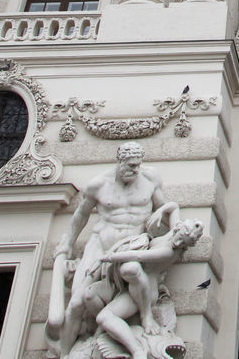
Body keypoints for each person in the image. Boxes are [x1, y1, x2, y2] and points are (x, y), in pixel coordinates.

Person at [55, 142, 168, 355]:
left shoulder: (150, 179)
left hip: (131, 246)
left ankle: (143, 317)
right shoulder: (99, 184)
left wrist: (170, 219)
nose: (135, 170)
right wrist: (68, 243)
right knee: (76, 303)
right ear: (120, 161)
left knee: (131, 276)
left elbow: (163, 207)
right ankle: (64, 353)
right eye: (130, 165)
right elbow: (81, 215)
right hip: (100, 245)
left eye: (138, 165)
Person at [93, 202, 204, 359]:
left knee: (130, 269)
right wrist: (160, 211)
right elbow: (174, 207)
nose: (177, 239)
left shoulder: (169, 251)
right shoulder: (173, 233)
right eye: (179, 233)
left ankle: (140, 341)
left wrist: (106, 257)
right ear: (178, 228)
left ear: (183, 244)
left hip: (145, 292)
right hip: (134, 286)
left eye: (182, 240)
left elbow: (137, 256)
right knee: (103, 315)